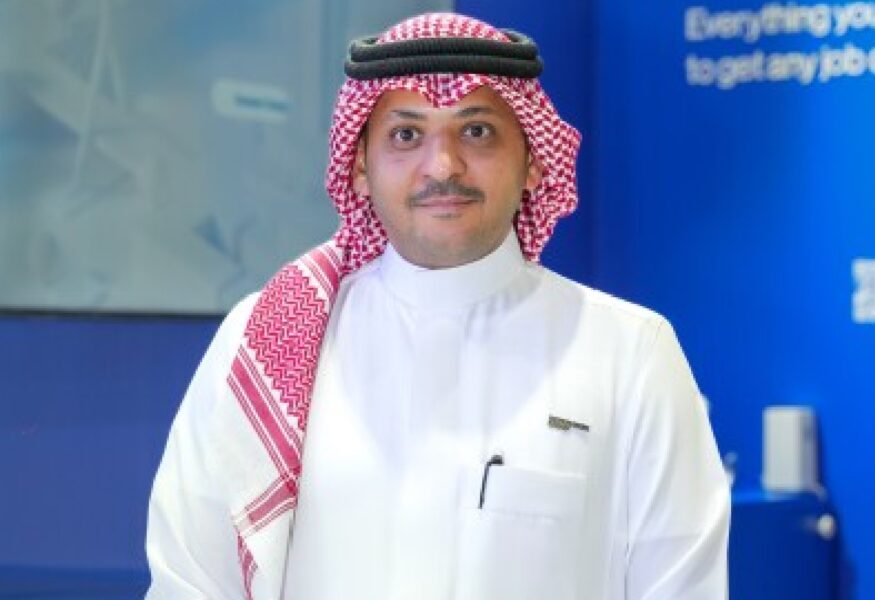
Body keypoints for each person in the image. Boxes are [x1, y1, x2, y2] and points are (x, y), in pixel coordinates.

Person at [144, 12, 730, 600]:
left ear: (532, 161)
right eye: (406, 135)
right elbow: (191, 581)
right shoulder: (266, 342)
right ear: (360, 167)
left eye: (476, 131)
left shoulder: (628, 353)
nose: (444, 165)